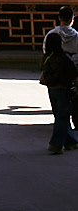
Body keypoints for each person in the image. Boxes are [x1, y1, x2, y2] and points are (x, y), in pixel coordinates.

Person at [40, 13, 77, 154]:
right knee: (63, 116)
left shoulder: (47, 57)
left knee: (60, 115)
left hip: (51, 88)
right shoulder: (64, 58)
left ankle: (71, 141)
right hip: (63, 88)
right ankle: (56, 144)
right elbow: (73, 72)